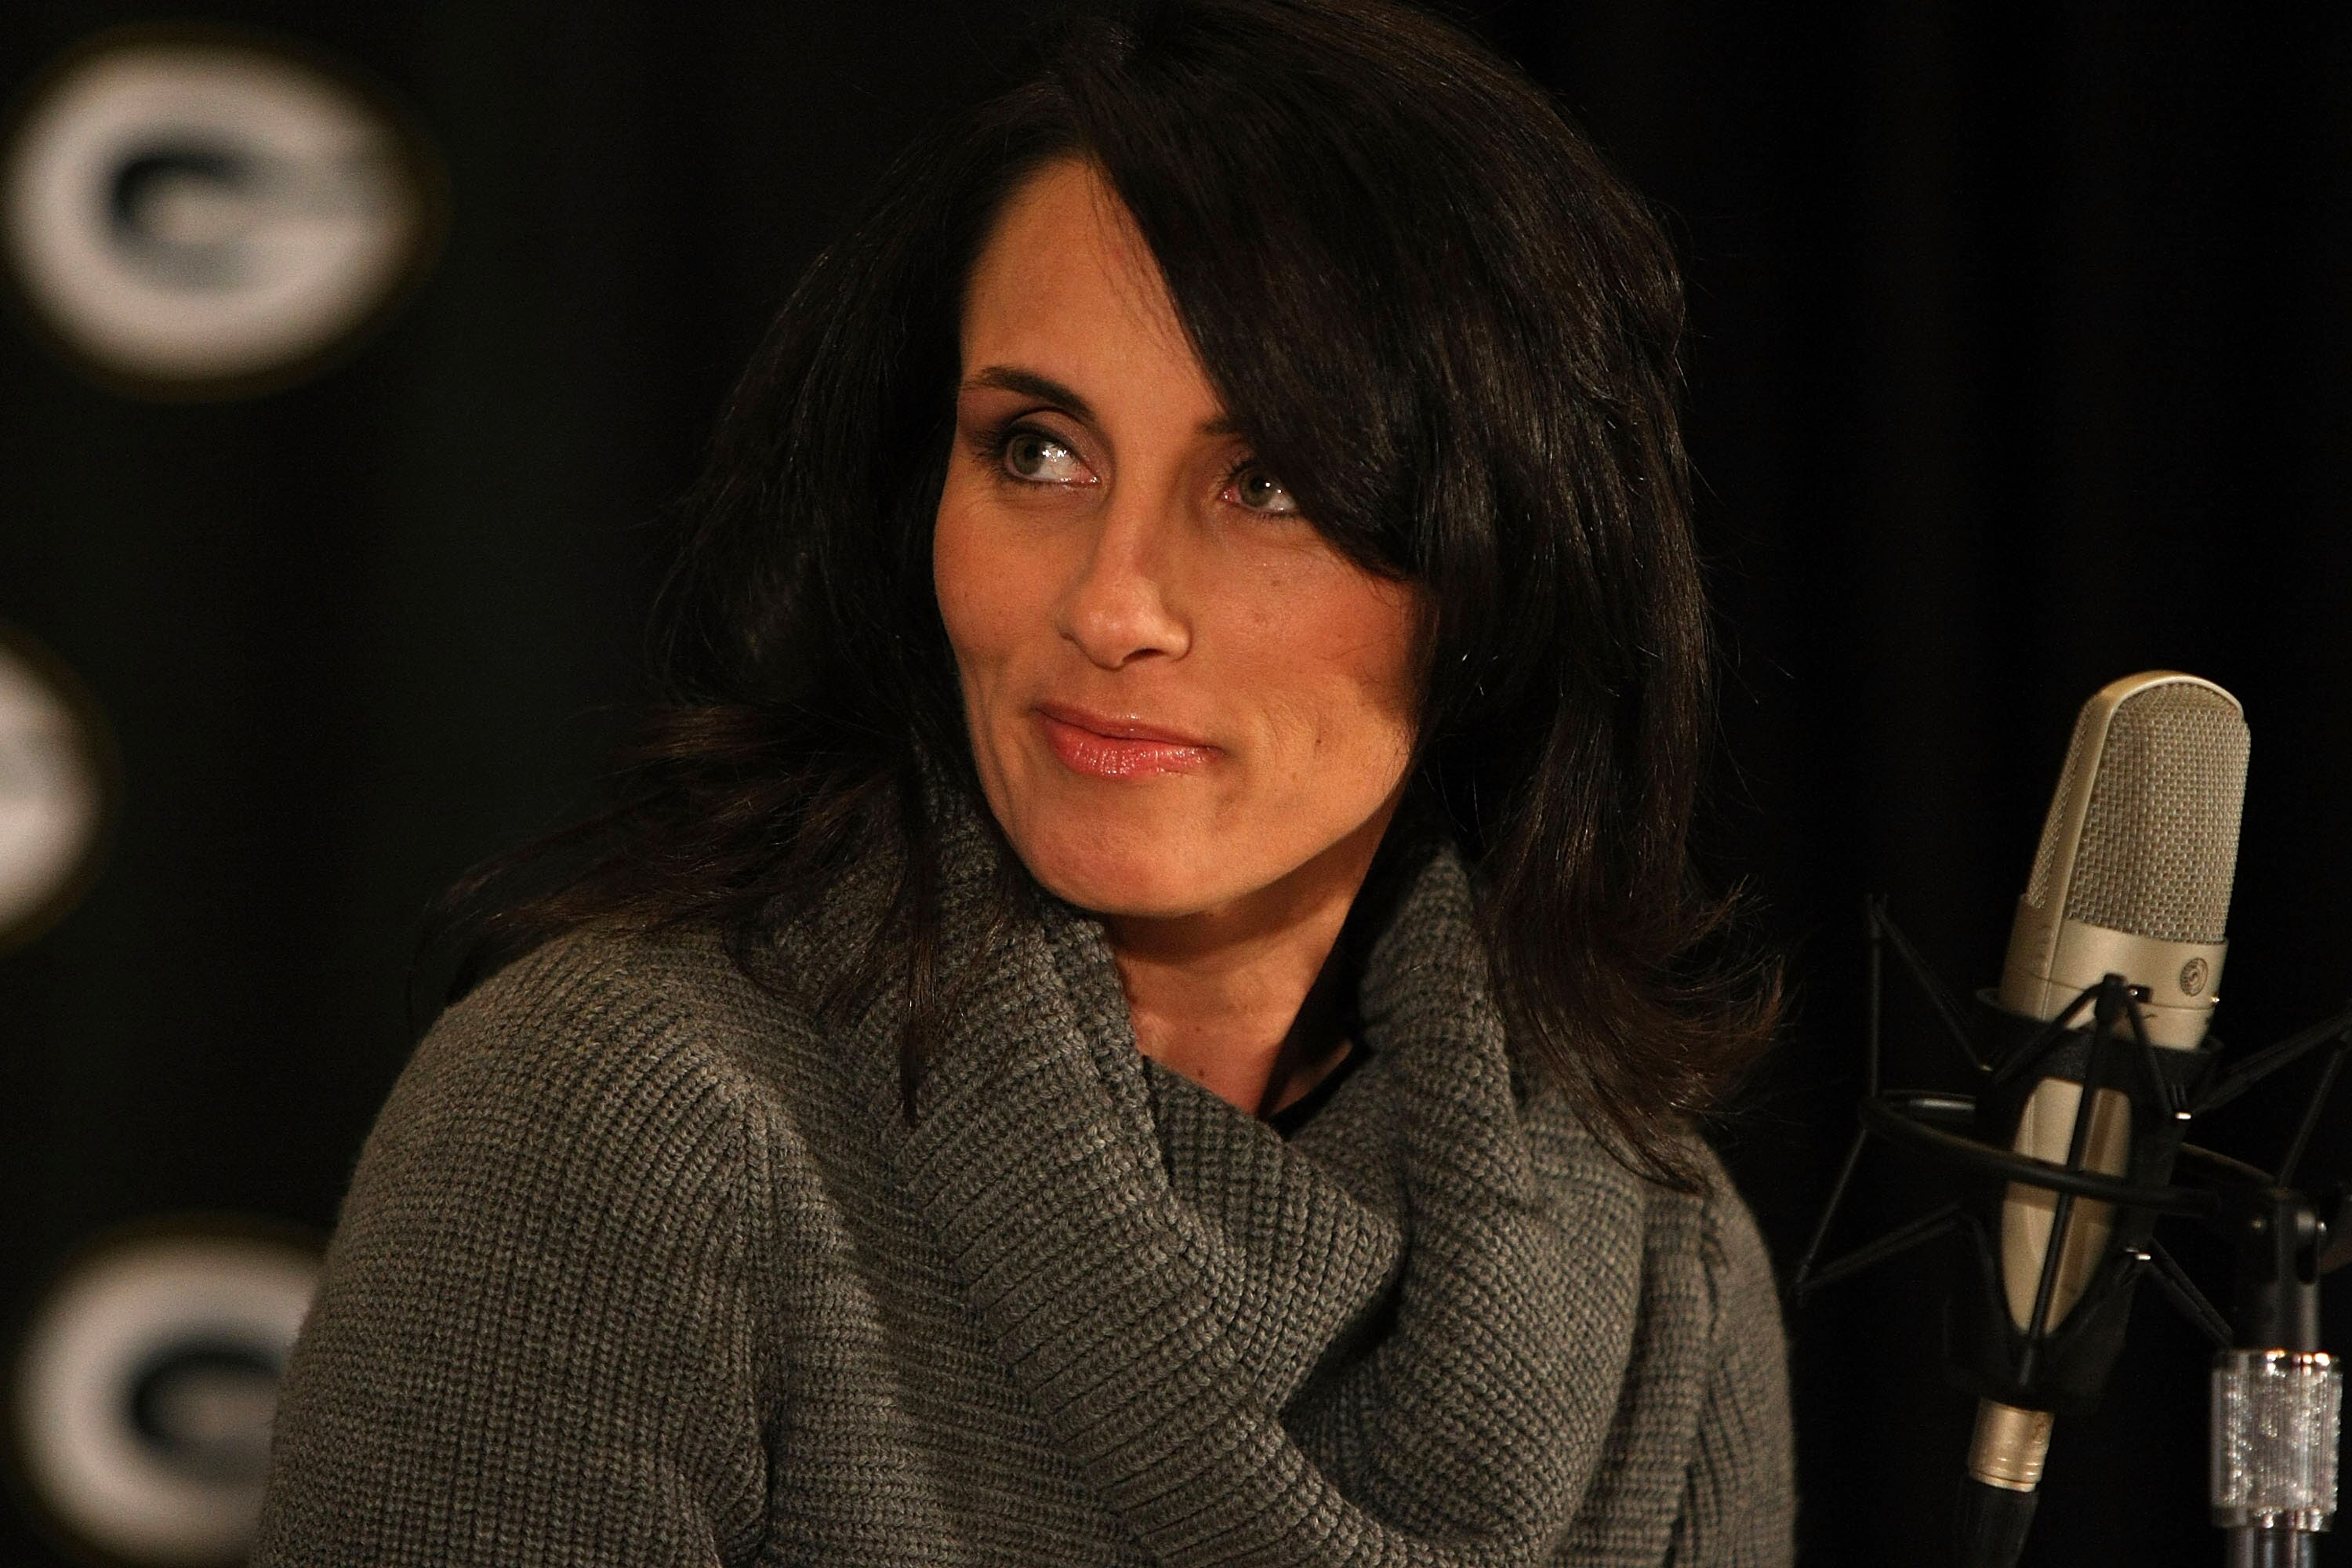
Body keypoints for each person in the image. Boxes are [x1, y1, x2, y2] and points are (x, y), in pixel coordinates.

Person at [252, 0, 1794, 1562]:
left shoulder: (1661, 1266)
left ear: (1511, 557)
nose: (1114, 604)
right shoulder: (627, 1119)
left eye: (1266, 484)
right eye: (1037, 452)